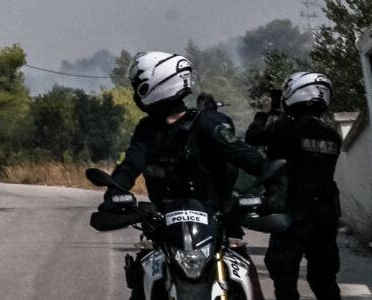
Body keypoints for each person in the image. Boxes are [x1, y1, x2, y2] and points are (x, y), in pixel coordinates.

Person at [106, 51, 274, 299]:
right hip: (163, 230)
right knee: (141, 283)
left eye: (139, 86)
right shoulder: (147, 130)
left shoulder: (207, 124)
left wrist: (273, 193)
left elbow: (250, 159)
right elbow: (130, 165)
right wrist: (114, 193)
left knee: (246, 279)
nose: (135, 93)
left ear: (158, 83)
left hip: (218, 228)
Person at [245, 70, 344, 300]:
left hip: (293, 210)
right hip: (326, 213)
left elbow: (253, 137)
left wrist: (264, 113)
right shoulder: (331, 134)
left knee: (284, 275)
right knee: (325, 277)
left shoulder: (285, 127)